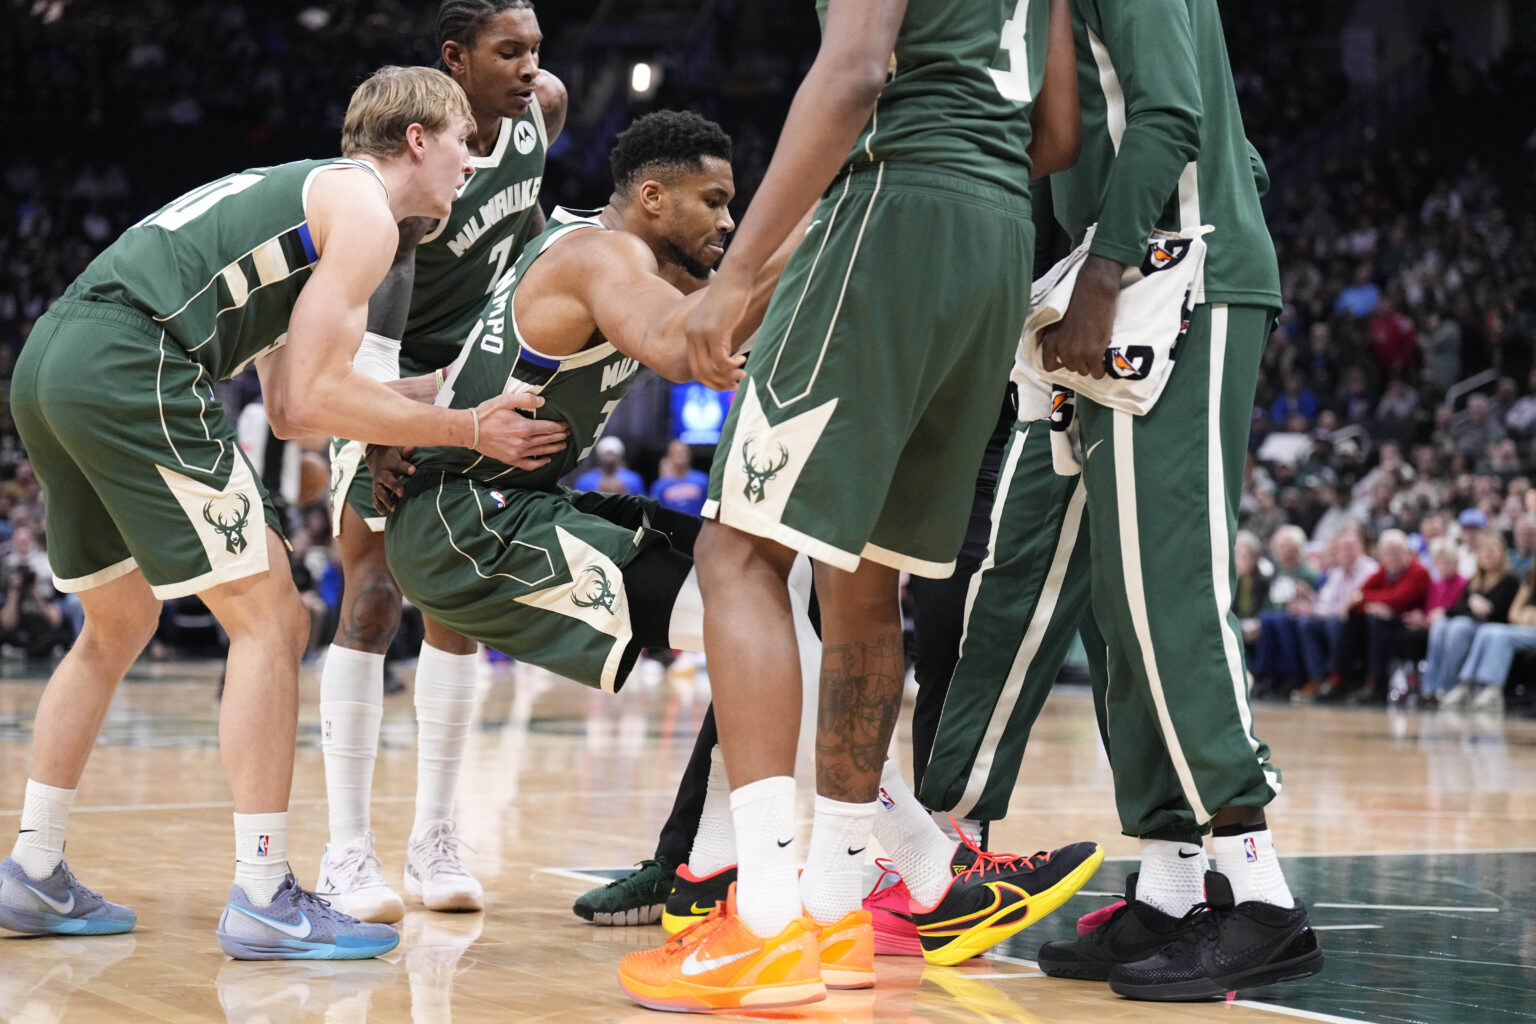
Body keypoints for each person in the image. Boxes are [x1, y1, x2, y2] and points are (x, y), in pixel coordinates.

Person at [0, 66, 558, 958]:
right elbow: (301, 408)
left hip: (54, 359)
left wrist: (418, 397)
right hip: (133, 357)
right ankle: (264, 890)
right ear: (417, 139)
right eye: (464, 142)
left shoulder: (309, 198)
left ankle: (32, 867)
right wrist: (462, 427)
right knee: (273, 616)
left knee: (117, 622)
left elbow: (300, 388)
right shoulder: (371, 214)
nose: (473, 162)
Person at [619, 0, 1099, 1013]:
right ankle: (837, 900)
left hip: (892, 210)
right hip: (997, 233)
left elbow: (854, 70)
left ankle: (763, 922)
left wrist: (734, 275)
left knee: (736, 556)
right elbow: (1056, 133)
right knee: (865, 574)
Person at [1028, 0, 1322, 999]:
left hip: (1173, 280)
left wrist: (1108, 272)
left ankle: (1260, 892)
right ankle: (1171, 879)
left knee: (1167, 590)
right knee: (1119, 608)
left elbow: (1172, 116)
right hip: (1129, 273)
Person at [316, 0, 570, 924]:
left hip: (479, 377)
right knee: (374, 598)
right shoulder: (414, 162)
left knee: (458, 601)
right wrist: (384, 426)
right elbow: (388, 291)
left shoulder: (546, 106)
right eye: (509, 51)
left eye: (536, 48)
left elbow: (525, 215)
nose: (529, 66)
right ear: (456, 59)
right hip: (387, 374)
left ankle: (436, 835)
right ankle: (347, 846)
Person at [1422, 532, 1520, 705]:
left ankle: (1448, 686)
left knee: (1459, 626)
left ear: (1503, 553)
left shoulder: (1509, 580)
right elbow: (1458, 608)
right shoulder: (1474, 581)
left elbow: (1493, 612)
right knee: (1440, 626)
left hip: (1489, 627)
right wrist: (1472, 604)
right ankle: (1430, 687)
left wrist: (1469, 606)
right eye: (1483, 550)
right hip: (1471, 622)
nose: (1487, 554)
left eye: (1492, 549)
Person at [649, 439, 711, 516]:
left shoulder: (702, 480)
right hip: (670, 526)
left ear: (689, 456)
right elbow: (655, 513)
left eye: (683, 452)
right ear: (669, 457)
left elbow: (710, 508)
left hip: (698, 525)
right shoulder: (660, 485)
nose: (679, 456)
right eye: (676, 453)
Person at [571, 435, 644, 495]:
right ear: (599, 456)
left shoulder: (633, 479)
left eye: (612, 454)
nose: (610, 458)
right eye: (606, 454)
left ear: (620, 456)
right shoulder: (585, 481)